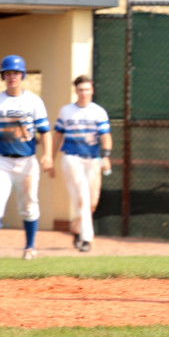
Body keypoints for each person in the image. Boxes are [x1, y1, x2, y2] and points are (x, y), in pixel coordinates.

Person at [0, 55, 53, 261]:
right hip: (0, 160)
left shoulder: (34, 101)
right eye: (8, 73)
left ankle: (29, 248)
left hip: (26, 160)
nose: (12, 77)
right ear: (3, 76)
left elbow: (45, 132)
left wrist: (48, 155)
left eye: (16, 73)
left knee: (28, 206)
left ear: (22, 75)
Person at [52, 75, 112, 253]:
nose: (84, 93)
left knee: (91, 202)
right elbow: (58, 136)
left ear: (92, 90)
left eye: (87, 89)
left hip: (92, 159)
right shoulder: (66, 111)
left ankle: (77, 229)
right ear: (76, 91)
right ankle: (87, 239)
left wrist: (106, 156)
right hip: (72, 157)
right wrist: (51, 158)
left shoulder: (98, 112)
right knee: (83, 197)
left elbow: (106, 136)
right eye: (80, 89)